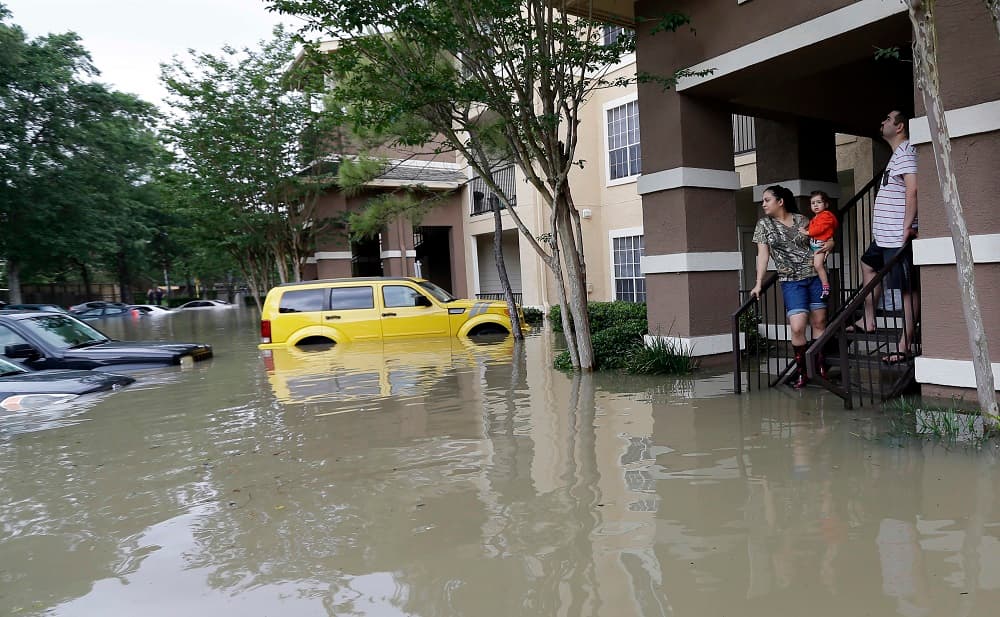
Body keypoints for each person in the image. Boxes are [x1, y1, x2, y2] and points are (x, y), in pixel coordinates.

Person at [849, 110, 919, 365]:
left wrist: (907, 227)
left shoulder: (908, 151)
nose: (882, 122)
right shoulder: (896, 155)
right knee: (868, 265)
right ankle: (868, 319)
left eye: (887, 119)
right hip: (884, 237)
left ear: (900, 127)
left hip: (897, 238)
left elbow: (913, 189)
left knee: (907, 291)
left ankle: (904, 345)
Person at [750, 185, 831, 388]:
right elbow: (763, 255)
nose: (764, 204)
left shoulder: (802, 219)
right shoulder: (764, 225)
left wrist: (830, 244)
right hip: (790, 281)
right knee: (797, 327)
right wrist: (758, 283)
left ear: (780, 201)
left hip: (814, 276)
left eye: (767, 200)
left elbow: (821, 237)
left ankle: (820, 369)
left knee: (820, 322)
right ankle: (803, 372)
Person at [799, 190, 838, 301]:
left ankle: (826, 287)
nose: (815, 205)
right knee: (815, 264)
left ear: (826, 205)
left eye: (819, 202)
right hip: (815, 245)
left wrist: (807, 232)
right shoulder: (816, 218)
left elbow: (819, 229)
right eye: (813, 203)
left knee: (818, 265)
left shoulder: (826, 216)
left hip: (820, 246)